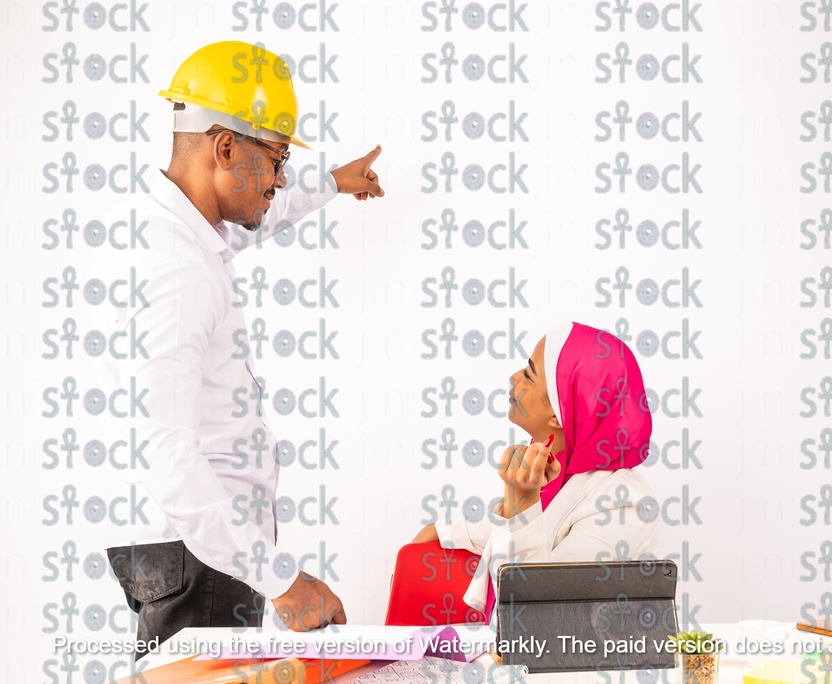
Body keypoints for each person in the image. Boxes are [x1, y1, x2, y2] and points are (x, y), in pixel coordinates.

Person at [87, 40, 384, 656]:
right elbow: (168, 453)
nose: (279, 179)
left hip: (202, 551)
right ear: (225, 148)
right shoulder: (178, 270)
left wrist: (330, 183)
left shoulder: (178, 230)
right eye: (275, 159)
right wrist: (281, 580)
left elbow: (258, 216)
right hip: (203, 556)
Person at [412, 322, 656, 614]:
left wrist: (521, 499)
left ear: (557, 413)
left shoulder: (623, 502)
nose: (514, 377)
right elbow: (536, 526)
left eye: (529, 374)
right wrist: (444, 530)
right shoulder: (564, 470)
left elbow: (539, 607)